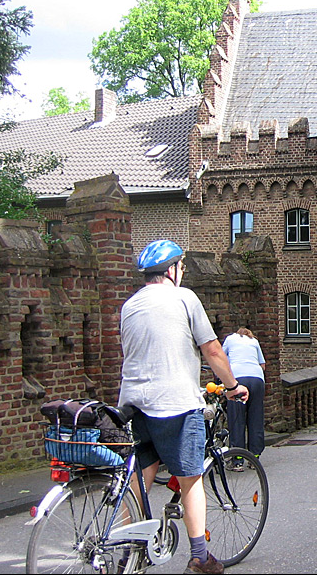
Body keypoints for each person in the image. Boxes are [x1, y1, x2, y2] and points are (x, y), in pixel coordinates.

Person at [119, 240, 249, 575]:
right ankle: (200, 557)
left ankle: (125, 552)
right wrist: (233, 387)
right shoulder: (184, 297)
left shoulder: (129, 305)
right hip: (174, 404)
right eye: (181, 267)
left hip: (134, 405)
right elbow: (213, 350)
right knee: (191, 479)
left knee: (141, 477)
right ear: (172, 270)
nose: (183, 272)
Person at [223, 327, 266, 469]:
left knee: (237, 419)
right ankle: (255, 458)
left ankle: (238, 460)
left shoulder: (230, 339)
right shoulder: (254, 341)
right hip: (257, 380)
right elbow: (263, 365)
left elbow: (221, 359)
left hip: (238, 380)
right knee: (255, 418)